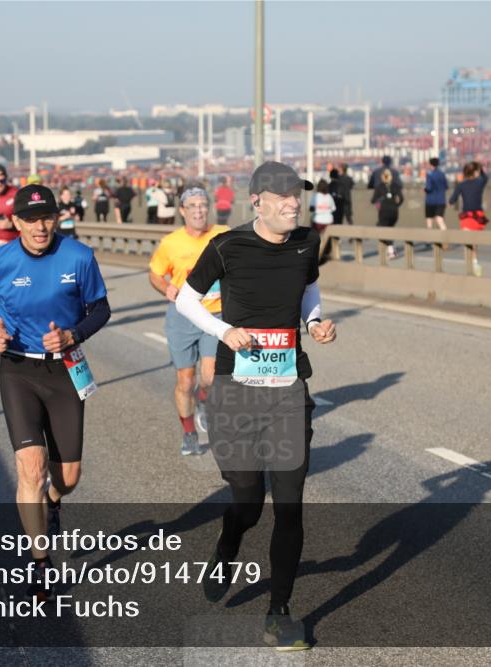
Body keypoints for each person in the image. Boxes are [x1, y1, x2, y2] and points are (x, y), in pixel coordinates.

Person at [175, 161, 336, 651]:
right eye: (283, 195)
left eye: (298, 195)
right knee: (247, 500)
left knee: (289, 505)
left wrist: (316, 323)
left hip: (288, 389)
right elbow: (185, 300)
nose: (294, 202)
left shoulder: (307, 244)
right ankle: (228, 544)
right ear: (258, 202)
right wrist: (226, 331)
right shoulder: (227, 246)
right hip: (236, 387)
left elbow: (309, 292)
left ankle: (280, 612)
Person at [0, 183, 111, 602]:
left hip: (65, 371)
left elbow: (100, 308)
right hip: (17, 370)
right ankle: (40, 564)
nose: (40, 226)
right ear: (15, 222)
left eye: (46, 217)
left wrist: (72, 334)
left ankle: (53, 499)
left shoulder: (79, 257)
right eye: (30, 219)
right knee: (30, 466)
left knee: (68, 477)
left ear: (56, 218)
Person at [148, 186, 230, 456]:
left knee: (209, 376)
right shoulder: (171, 243)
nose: (198, 210)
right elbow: (156, 274)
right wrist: (165, 288)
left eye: (203, 205)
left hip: (214, 314)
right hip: (182, 317)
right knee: (185, 381)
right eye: (192, 206)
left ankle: (204, 401)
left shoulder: (223, 234)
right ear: (182, 211)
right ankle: (189, 433)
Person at [449, 161, 490, 276]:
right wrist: (481, 169)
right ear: (475, 172)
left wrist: (450, 202)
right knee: (474, 242)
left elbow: (452, 200)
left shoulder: (461, 185)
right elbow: (485, 178)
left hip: (467, 216)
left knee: (467, 242)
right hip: (478, 216)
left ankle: (470, 265)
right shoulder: (480, 182)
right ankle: (475, 262)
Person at [374, 168, 404, 259]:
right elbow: (401, 198)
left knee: (381, 228)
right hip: (394, 212)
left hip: (384, 212)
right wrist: (396, 205)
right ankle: (389, 249)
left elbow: (373, 199)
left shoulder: (380, 186)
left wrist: (379, 203)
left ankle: (390, 250)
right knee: (389, 229)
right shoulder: (395, 185)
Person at [424, 157, 448, 231]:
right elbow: (446, 186)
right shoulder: (442, 174)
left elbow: (428, 188)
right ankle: (445, 236)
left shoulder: (430, 175)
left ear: (430, 164)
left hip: (430, 201)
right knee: (440, 218)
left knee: (429, 219)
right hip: (441, 200)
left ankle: (429, 239)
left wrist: (425, 189)